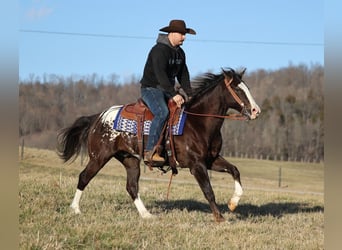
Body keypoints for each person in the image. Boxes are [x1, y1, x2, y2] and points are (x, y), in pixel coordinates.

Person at [140, 19, 196, 163]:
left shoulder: (180, 53)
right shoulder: (159, 50)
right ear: (172, 33)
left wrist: (190, 93)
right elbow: (161, 75)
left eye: (185, 34)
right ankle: (150, 151)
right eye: (182, 34)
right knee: (162, 112)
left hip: (167, 90)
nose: (184, 37)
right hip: (151, 88)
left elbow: (183, 74)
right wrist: (174, 94)